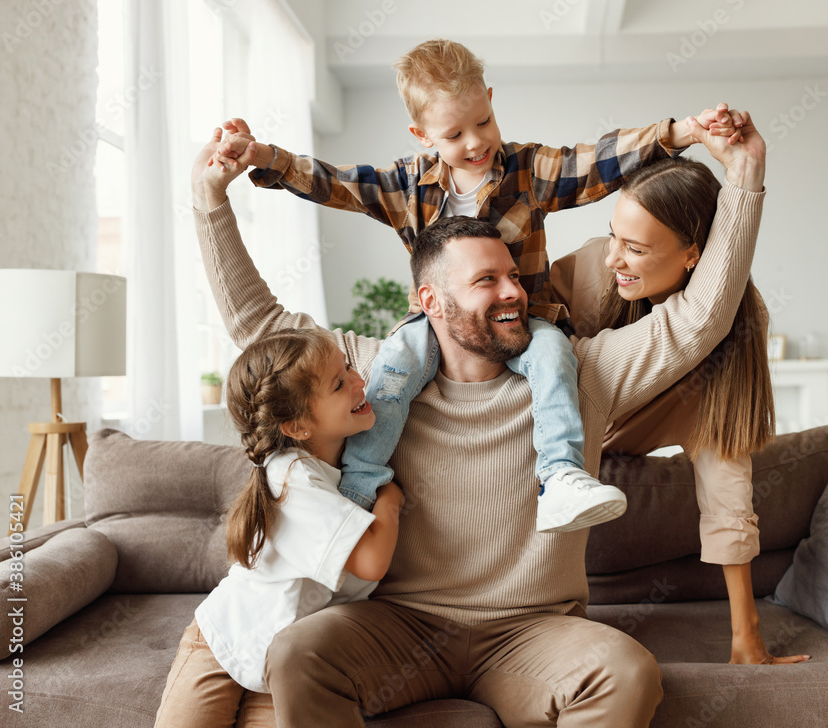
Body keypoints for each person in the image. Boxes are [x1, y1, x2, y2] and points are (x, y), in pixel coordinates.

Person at [191, 104, 764, 726]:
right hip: (401, 622)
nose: (514, 291)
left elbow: (701, 318)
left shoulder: (581, 374)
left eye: (513, 275)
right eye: (486, 280)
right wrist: (210, 202)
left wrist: (745, 173)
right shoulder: (376, 381)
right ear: (430, 301)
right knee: (299, 651)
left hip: (532, 632)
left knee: (626, 673)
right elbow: (259, 327)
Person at [209, 38, 744, 533]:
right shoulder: (405, 184)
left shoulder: (527, 170)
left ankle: (558, 473)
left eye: (483, 122)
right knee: (392, 375)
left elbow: (599, 159)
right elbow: (333, 182)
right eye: (453, 135)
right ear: (422, 136)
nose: (475, 143)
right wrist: (262, 158)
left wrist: (684, 132)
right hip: (438, 330)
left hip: (528, 326)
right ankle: (361, 486)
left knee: (557, 363)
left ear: (490, 100)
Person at [550, 152, 811, 666]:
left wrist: (747, 633)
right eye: (614, 237)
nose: (613, 259)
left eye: (636, 248)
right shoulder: (589, 271)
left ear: (693, 254)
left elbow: (725, 476)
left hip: (636, 433)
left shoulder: (734, 324)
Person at [153, 329, 405, 728]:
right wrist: (391, 501)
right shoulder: (292, 477)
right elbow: (371, 562)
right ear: (297, 426)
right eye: (339, 384)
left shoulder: (348, 469)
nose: (361, 381)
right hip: (221, 641)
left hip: (280, 659)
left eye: (350, 367)